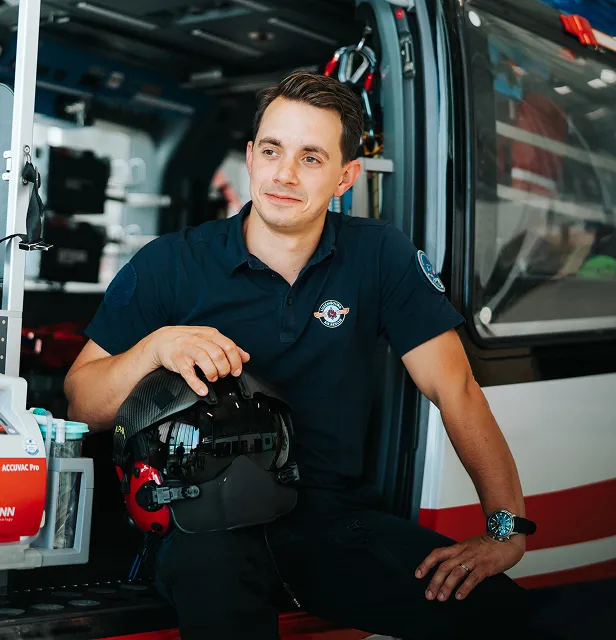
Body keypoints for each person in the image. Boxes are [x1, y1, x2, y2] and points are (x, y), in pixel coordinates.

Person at [65, 72, 538, 639]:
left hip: (328, 518)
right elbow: (80, 403)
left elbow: (453, 388)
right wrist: (154, 348)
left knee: (506, 616)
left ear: (345, 176)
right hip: (200, 521)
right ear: (250, 156)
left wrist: (505, 530)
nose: (284, 175)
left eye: (311, 158)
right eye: (272, 150)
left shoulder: (378, 255)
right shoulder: (170, 264)